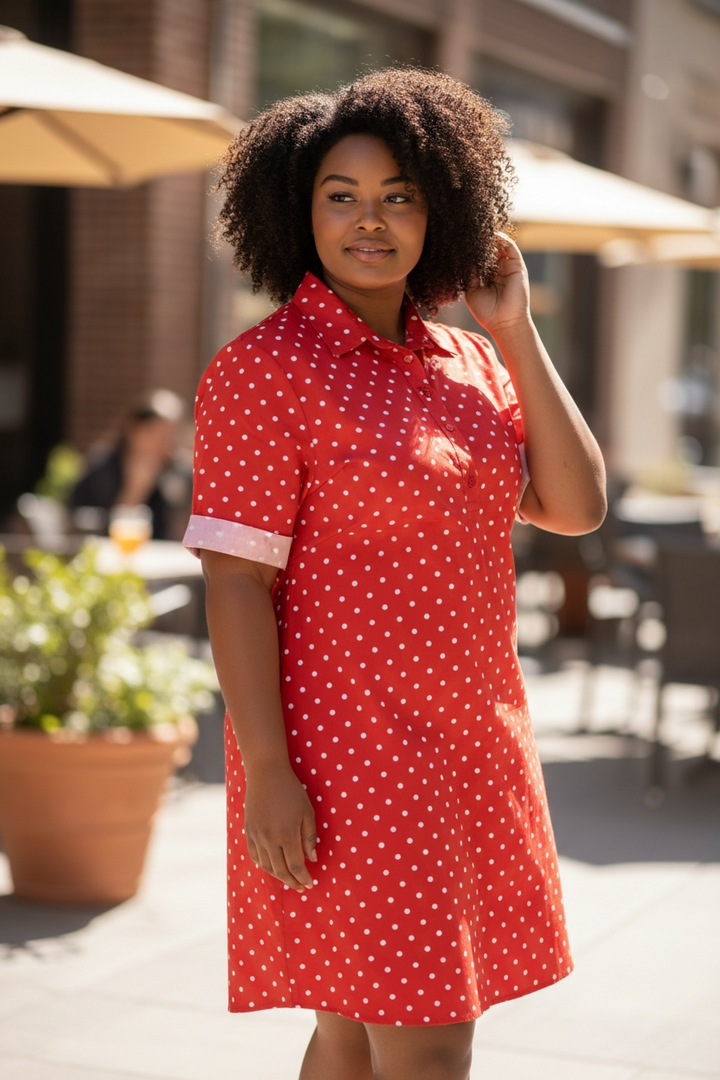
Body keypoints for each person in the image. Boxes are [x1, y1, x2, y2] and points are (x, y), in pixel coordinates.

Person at [183, 68, 606, 1080]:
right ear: (299, 211)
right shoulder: (262, 370)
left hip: (474, 741)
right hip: (347, 756)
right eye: (342, 196)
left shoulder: (474, 361)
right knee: (427, 1045)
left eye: (398, 196)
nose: (369, 221)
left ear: (440, 212)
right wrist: (268, 771)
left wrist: (516, 330)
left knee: (352, 1034)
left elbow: (576, 504)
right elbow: (235, 584)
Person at [69, 388, 192, 540]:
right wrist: (135, 491)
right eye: (161, 436)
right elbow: (96, 531)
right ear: (135, 430)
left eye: (173, 437)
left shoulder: (179, 471)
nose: (168, 446)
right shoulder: (102, 468)